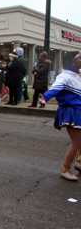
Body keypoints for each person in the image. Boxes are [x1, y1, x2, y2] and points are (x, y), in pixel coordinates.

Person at [40, 51, 81, 181]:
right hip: (71, 111)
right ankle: (65, 170)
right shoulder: (64, 76)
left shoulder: (77, 76)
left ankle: (79, 162)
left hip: (78, 109)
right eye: (80, 58)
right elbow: (55, 88)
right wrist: (45, 98)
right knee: (76, 142)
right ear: (72, 62)